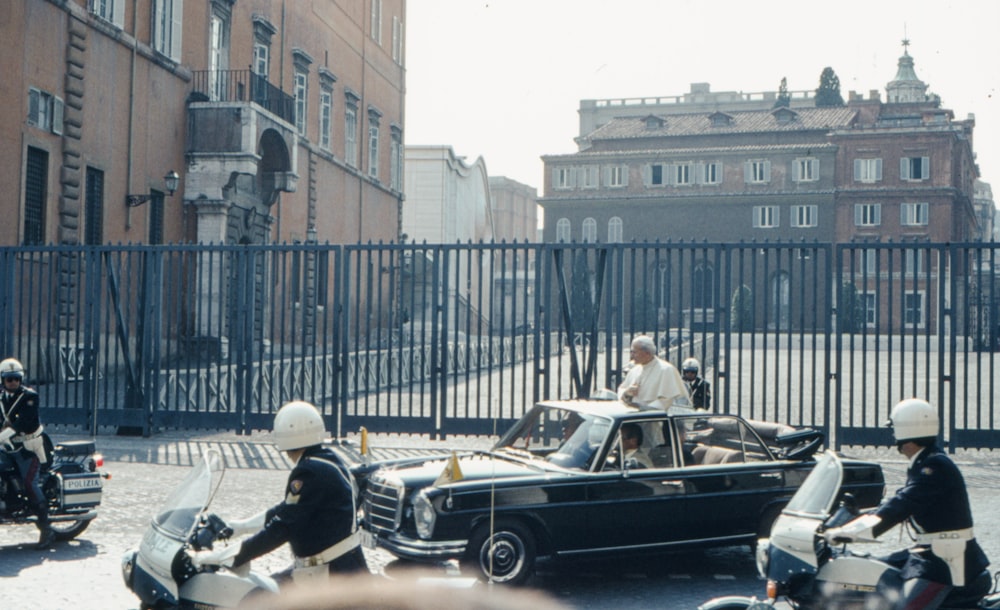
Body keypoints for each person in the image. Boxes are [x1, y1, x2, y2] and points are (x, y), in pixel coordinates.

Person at [824, 398, 990, 609]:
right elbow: (899, 502)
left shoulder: (934, 467)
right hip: (930, 555)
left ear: (905, 431)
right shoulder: (926, 461)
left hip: (948, 563)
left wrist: (850, 532)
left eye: (894, 429)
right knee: (873, 573)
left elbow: (901, 505)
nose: (892, 434)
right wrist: (851, 520)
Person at [189, 400, 369, 584]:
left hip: (331, 576)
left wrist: (229, 556)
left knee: (257, 599)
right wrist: (241, 526)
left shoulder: (309, 472)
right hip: (338, 567)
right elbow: (287, 511)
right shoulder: (326, 461)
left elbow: (282, 528)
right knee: (266, 588)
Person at [0, 357, 53, 549]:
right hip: (8, 447)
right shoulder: (1, 398)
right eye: (9, 378)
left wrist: (6, 432)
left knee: (30, 483)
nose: (13, 382)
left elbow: (25, 422)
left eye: (16, 378)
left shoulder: (30, 397)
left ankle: (46, 528)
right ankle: (9, 500)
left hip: (29, 449)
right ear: (2, 380)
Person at [617, 335, 689, 410]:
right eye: (631, 352)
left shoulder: (666, 370)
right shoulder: (634, 370)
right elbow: (622, 391)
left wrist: (642, 408)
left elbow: (667, 401)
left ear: (647, 353)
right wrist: (627, 392)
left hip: (655, 419)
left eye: (634, 352)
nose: (631, 355)